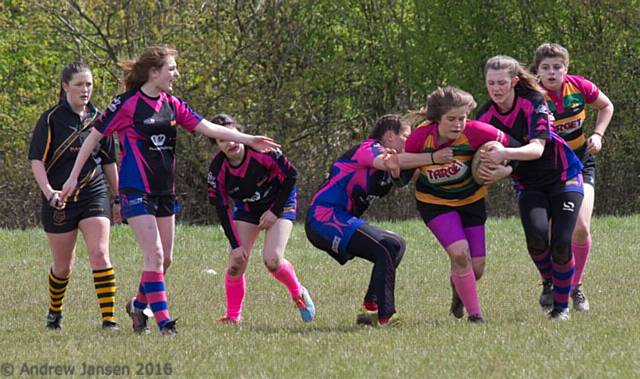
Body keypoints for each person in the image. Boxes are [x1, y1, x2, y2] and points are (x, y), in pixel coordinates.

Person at [60, 45, 279, 335]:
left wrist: (249, 139)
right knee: (155, 255)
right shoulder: (126, 104)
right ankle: (164, 322)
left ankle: (139, 305)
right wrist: (73, 176)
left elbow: (210, 129)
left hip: (165, 192)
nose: (176, 73)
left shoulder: (172, 104)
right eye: (171, 68)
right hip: (136, 191)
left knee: (166, 260)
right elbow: (94, 137)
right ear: (154, 72)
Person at [476, 55, 584, 320]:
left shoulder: (534, 102)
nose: (496, 89)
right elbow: (483, 157)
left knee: (560, 243)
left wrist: (503, 155)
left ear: (514, 81)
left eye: (502, 83)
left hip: (564, 177)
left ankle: (561, 308)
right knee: (536, 240)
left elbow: (537, 149)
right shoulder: (485, 116)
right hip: (528, 184)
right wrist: (496, 172)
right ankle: (549, 281)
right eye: (491, 83)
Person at [305, 114, 434, 327]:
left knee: (397, 245)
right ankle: (387, 316)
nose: (408, 141)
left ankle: (369, 309)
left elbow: (402, 175)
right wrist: (435, 157)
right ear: (390, 136)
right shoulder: (368, 148)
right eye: (406, 136)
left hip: (338, 218)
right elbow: (387, 162)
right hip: (324, 217)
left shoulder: (393, 156)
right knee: (385, 246)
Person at [404, 86, 517, 323]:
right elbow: (403, 167)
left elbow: (515, 149)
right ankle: (475, 316)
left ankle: (458, 289)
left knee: (476, 268)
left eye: (462, 118)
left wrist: (504, 169)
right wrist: (428, 160)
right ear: (436, 119)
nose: (458, 124)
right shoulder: (420, 137)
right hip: (434, 203)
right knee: (459, 253)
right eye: (451, 119)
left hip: (471, 201)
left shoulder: (479, 132)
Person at [28, 61, 121, 331]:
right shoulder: (50, 119)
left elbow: (108, 162)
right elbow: (36, 160)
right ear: (65, 86)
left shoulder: (101, 118)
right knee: (63, 267)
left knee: (100, 254)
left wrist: (118, 198)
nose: (85, 89)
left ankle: (109, 319)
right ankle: (55, 312)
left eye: (89, 84)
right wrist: (49, 193)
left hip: (94, 193)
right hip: (59, 199)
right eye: (79, 84)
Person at [206, 114, 315, 324]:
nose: (230, 142)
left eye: (233, 135)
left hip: (279, 204)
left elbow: (292, 176)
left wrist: (274, 211)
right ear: (216, 145)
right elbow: (221, 208)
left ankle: (298, 293)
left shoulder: (262, 151)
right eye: (222, 140)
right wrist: (235, 245)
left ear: (241, 133)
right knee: (236, 264)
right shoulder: (217, 170)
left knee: (272, 261)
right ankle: (233, 317)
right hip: (247, 210)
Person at [531, 43, 614, 311]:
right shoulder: (532, 96)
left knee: (581, 227)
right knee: (552, 235)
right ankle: (551, 283)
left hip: (580, 163)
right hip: (547, 169)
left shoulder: (579, 87)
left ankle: (575, 287)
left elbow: (607, 106)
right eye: (546, 67)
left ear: (566, 69)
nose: (552, 72)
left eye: (557, 67)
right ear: (537, 71)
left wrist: (598, 135)